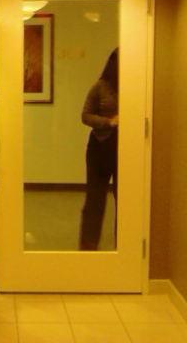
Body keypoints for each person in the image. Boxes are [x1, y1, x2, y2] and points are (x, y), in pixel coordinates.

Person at [79, 48, 119, 251]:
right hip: (100, 148)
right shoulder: (99, 87)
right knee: (95, 200)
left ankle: (124, 248)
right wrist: (108, 121)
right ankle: (88, 248)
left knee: (125, 200)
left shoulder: (134, 87)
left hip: (125, 150)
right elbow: (85, 116)